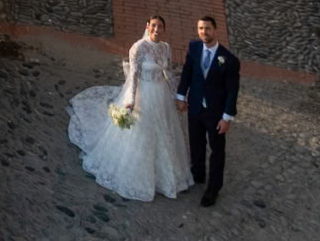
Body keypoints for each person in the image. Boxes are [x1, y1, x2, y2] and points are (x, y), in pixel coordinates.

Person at [65, 17, 192, 201]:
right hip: (144, 94)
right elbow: (133, 75)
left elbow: (168, 73)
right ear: (148, 27)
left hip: (161, 95)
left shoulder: (165, 47)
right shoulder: (138, 47)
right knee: (143, 133)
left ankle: (165, 176)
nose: (157, 29)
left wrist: (178, 97)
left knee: (165, 132)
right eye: (153, 25)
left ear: (164, 29)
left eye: (160, 26)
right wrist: (130, 100)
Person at [175, 14, 240, 207]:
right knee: (196, 143)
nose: (204, 32)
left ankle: (213, 189)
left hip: (216, 113)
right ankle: (198, 173)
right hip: (194, 107)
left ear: (215, 30)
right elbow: (187, 72)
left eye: (208, 28)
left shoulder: (229, 60)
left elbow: (232, 91)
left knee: (217, 151)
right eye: (201, 28)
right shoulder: (194, 48)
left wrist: (227, 117)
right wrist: (180, 96)